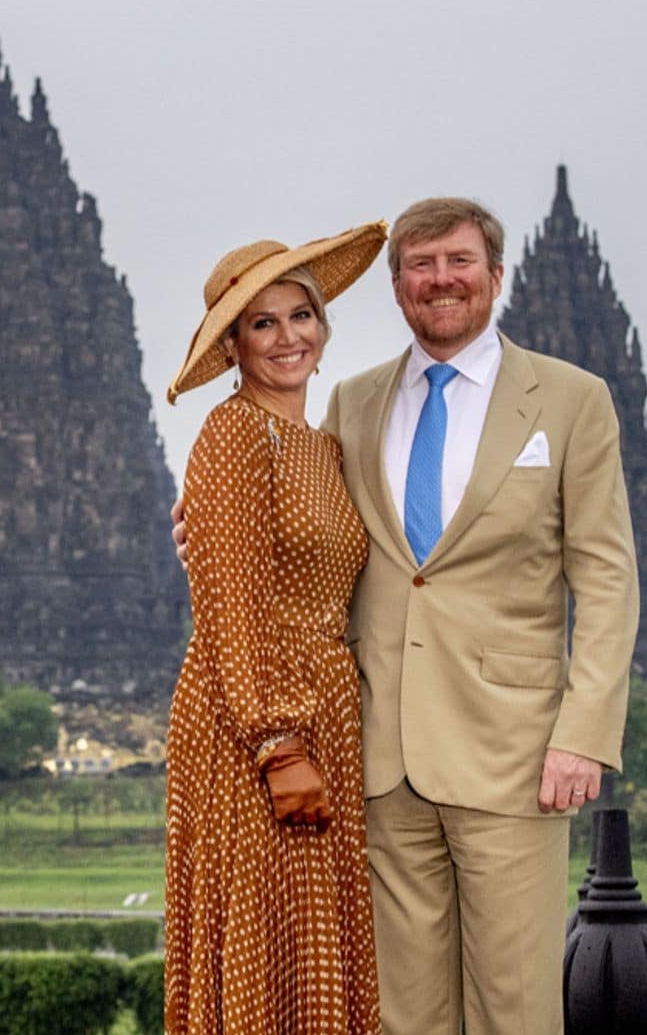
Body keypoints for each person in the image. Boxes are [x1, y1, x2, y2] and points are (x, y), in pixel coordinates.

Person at [325, 198, 638, 1034]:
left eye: (459, 262)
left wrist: (585, 732)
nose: (441, 281)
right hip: (383, 747)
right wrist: (218, 522)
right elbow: (315, 545)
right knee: (405, 1013)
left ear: (495, 277)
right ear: (397, 288)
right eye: (420, 267)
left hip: (515, 753)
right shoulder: (353, 405)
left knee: (516, 1003)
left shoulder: (572, 401)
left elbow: (606, 578)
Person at [160, 222, 388, 1034]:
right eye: (263, 322)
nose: (288, 336)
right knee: (262, 925)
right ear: (235, 347)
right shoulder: (233, 435)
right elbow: (228, 601)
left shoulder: (324, 447)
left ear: (324, 330)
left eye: (302, 315)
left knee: (316, 937)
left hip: (325, 706)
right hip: (251, 723)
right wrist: (277, 742)